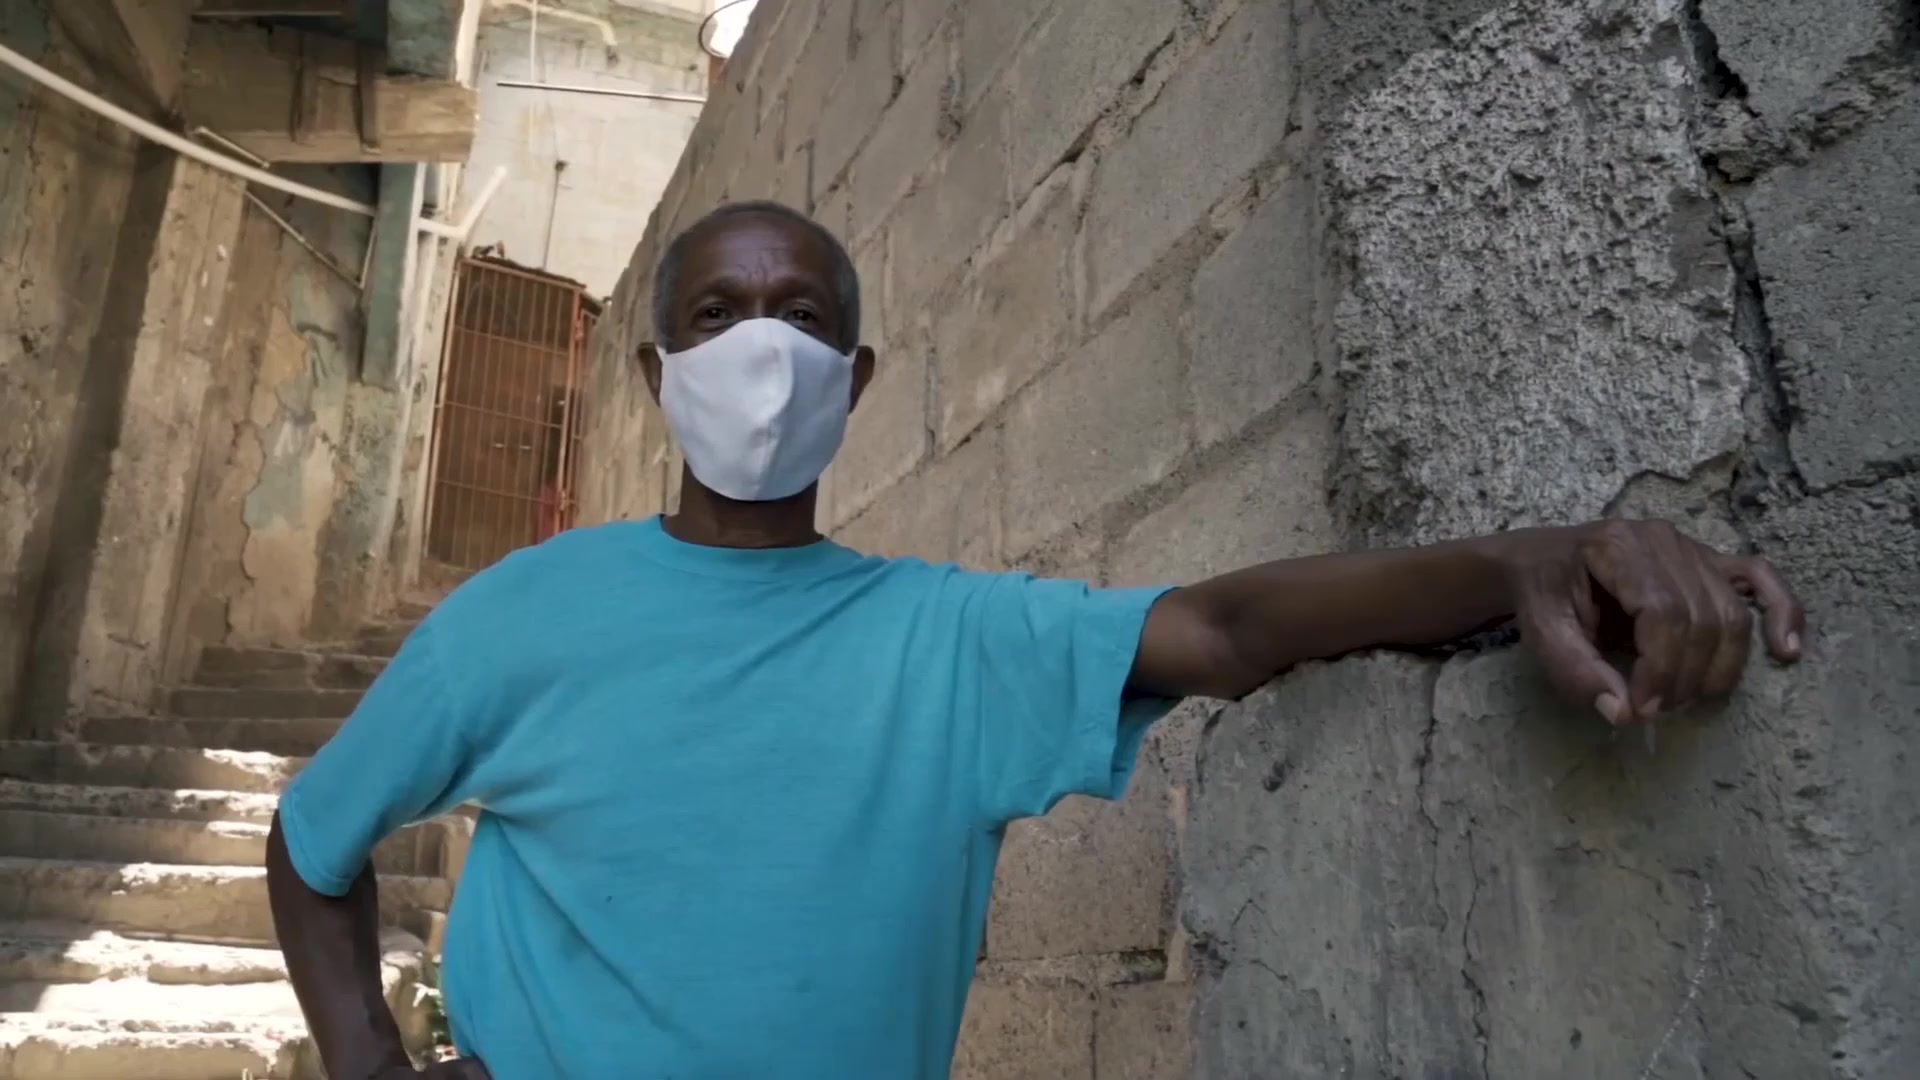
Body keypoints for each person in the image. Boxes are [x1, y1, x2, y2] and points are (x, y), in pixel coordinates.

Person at [266, 201, 1805, 1080]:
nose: (762, 347)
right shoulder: (522, 614)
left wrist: (1534, 558)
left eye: (800, 316)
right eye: (719, 314)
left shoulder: (953, 641)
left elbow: (1227, 627)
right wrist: (367, 1063)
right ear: (659, 376)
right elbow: (313, 843)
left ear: (856, 378)